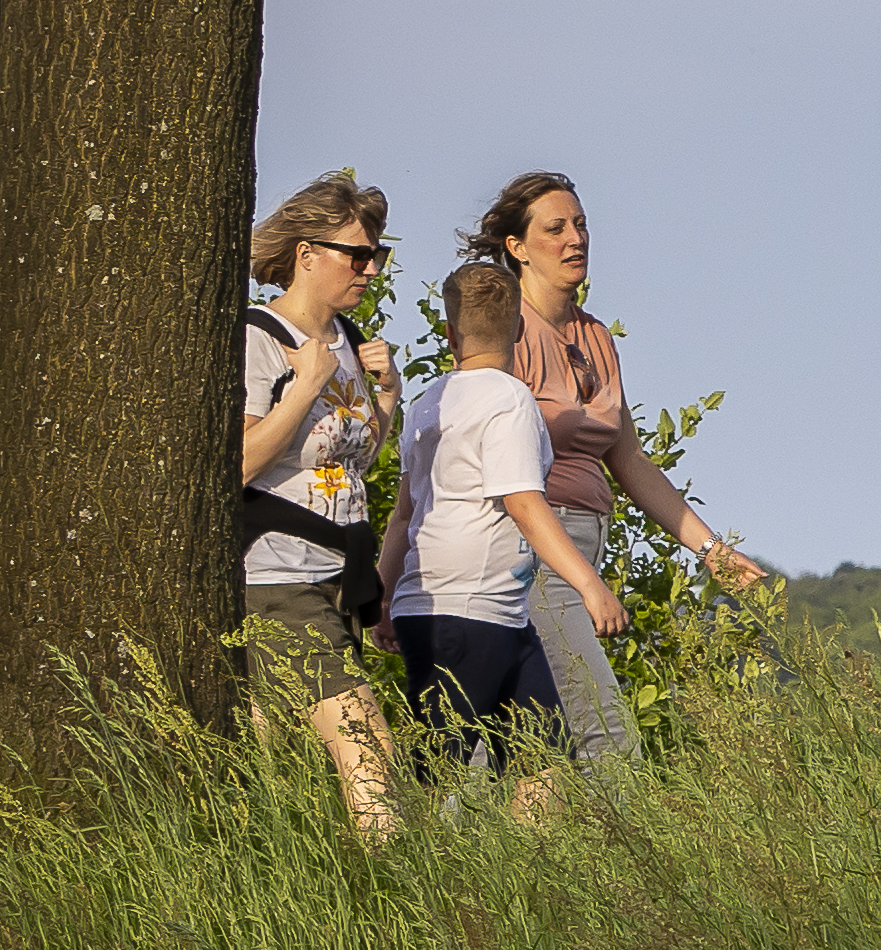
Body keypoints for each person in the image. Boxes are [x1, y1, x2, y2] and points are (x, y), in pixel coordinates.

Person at [470, 171, 765, 774]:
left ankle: (437, 860)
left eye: (580, 225)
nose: (574, 238)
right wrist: (579, 579)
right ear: (517, 247)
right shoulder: (504, 336)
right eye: (555, 229)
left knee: (506, 747)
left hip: (579, 549)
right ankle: (631, 865)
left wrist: (710, 549)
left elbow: (628, 459)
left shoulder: (595, 337)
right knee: (606, 739)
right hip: (529, 551)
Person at [387, 260, 629, 788]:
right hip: (464, 606)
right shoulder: (509, 398)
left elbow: (404, 513)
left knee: (542, 759)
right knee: (440, 772)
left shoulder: (428, 401)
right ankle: (416, 864)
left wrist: (384, 600)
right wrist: (590, 586)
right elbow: (523, 500)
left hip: (492, 611)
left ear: (449, 332)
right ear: (521, 330)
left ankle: (531, 869)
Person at [233, 168, 410, 839]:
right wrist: (304, 388)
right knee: (370, 750)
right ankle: (404, 901)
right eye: (357, 254)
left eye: (377, 254)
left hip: (336, 580)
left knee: (268, 769)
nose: (370, 268)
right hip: (277, 577)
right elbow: (241, 462)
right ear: (306, 255)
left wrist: (385, 400)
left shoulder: (351, 339)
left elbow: (350, 461)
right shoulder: (257, 336)